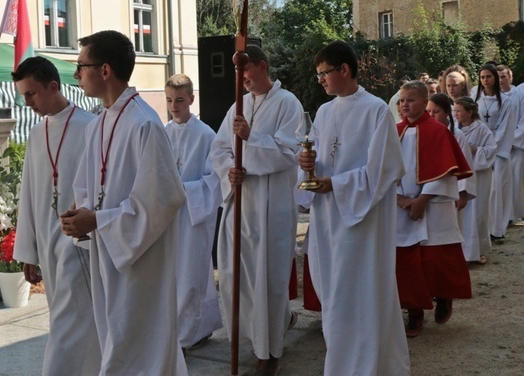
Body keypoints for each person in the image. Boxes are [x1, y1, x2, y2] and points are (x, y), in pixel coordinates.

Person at [60, 30, 187, 374]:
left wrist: (98, 221)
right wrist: (80, 214)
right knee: (115, 338)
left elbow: (164, 198)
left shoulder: (144, 124)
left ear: (104, 70)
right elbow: (88, 187)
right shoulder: (98, 124)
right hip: (109, 250)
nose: (76, 75)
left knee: (138, 343)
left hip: (140, 259)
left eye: (81, 66)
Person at [297, 41, 409, 374]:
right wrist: (306, 164)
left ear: (344, 69)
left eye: (324, 74)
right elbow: (316, 156)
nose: (321, 81)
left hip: (362, 220)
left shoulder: (375, 110)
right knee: (334, 295)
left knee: (360, 292)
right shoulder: (324, 111)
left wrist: (337, 184)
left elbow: (385, 169)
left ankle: (369, 366)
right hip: (328, 217)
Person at [210, 45, 303, 375]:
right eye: (240, 76)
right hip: (241, 203)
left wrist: (250, 138)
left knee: (268, 277)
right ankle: (252, 337)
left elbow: (288, 152)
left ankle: (270, 350)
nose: (243, 81)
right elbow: (219, 150)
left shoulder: (288, 103)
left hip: (272, 205)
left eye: (247, 74)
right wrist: (228, 171)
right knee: (238, 276)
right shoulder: (239, 104)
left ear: (263, 66)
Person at [12, 56, 101, 375]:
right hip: (49, 246)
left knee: (70, 324)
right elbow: (30, 194)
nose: (27, 102)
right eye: (23, 95)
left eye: (31, 93)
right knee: (71, 321)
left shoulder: (90, 127)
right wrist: (28, 253)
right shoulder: (36, 134)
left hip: (82, 244)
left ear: (53, 86)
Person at [396, 81, 472, 338]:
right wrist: (399, 199)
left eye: (411, 100)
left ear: (424, 101)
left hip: (434, 204)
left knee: (437, 258)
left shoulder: (438, 131)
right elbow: (383, 171)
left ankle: (444, 295)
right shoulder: (394, 132)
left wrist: (422, 199)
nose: (405, 104)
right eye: (402, 100)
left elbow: (446, 169)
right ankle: (414, 311)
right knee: (407, 262)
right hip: (402, 207)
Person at [164, 74, 223, 350]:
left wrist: (183, 190)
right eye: (169, 100)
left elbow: (215, 180)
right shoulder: (162, 132)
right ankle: (197, 328)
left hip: (194, 214)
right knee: (172, 277)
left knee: (191, 276)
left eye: (179, 100)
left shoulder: (206, 135)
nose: (174, 106)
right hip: (168, 217)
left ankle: (184, 338)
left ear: (191, 99)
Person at [427, 93, 477, 261]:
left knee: (453, 229)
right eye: (429, 111)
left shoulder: (457, 135)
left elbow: (465, 165)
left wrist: (463, 194)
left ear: (447, 112)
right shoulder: (425, 133)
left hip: (452, 192)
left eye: (436, 111)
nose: (432, 116)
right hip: (430, 192)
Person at [473, 64, 515, 241]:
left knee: (497, 191)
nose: (485, 80)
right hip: (479, 147)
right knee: (481, 189)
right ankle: (480, 228)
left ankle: (497, 229)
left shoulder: (505, 101)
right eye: (482, 77)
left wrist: (491, 147)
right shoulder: (475, 98)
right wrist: (480, 146)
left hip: (498, 150)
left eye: (488, 77)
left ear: (495, 79)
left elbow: (506, 127)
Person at [454, 97, 497, 263]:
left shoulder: (482, 129)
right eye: (455, 111)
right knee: (462, 215)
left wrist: (475, 150)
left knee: (478, 213)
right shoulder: (454, 129)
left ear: (470, 112)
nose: (455, 114)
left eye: (459, 111)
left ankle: (478, 251)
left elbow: (491, 151)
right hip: (461, 176)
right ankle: (463, 252)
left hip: (479, 176)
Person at [497, 65, 524, 223]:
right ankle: (505, 215)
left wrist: (510, 141)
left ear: (510, 78)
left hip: (516, 147)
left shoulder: (521, 96)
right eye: (497, 77)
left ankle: (521, 208)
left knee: (518, 178)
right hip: (498, 147)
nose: (500, 80)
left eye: (503, 76)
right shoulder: (492, 97)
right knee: (501, 181)